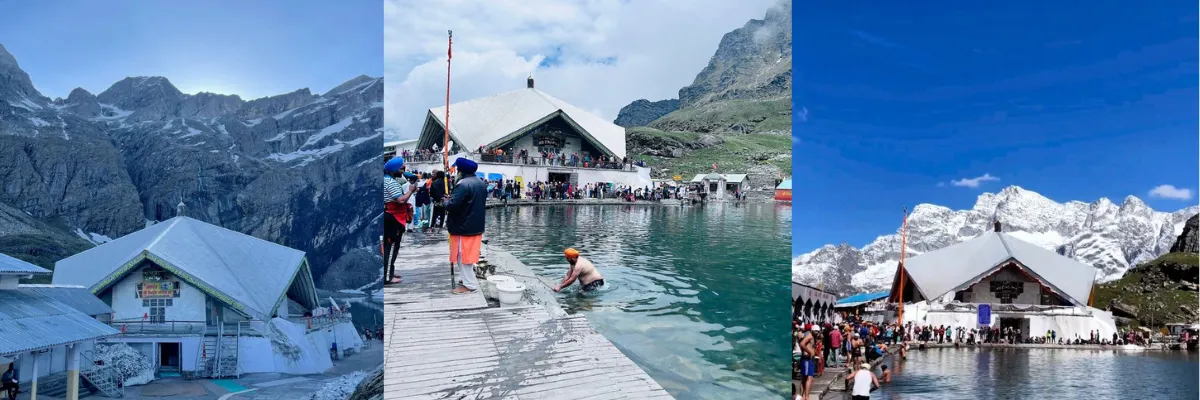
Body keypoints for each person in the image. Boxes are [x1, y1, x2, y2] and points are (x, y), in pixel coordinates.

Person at [444, 158, 487, 294]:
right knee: (468, 255)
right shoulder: (480, 183)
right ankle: (467, 280)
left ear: (460, 171)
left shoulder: (462, 185)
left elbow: (452, 205)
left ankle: (470, 285)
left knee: (463, 256)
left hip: (463, 226)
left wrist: (445, 201)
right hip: (475, 225)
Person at [383, 157, 416, 285]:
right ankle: (387, 277)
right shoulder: (390, 182)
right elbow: (400, 200)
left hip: (389, 216)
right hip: (393, 218)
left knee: (389, 246)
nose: (403, 171)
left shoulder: (388, 180)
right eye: (401, 168)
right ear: (394, 170)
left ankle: (389, 271)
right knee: (391, 247)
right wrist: (411, 191)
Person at [797, 325, 817, 400]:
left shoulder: (811, 336)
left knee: (807, 379)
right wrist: (809, 352)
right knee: (808, 378)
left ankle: (803, 396)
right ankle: (806, 397)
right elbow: (802, 344)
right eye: (816, 331)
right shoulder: (809, 335)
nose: (817, 333)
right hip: (807, 359)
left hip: (809, 360)